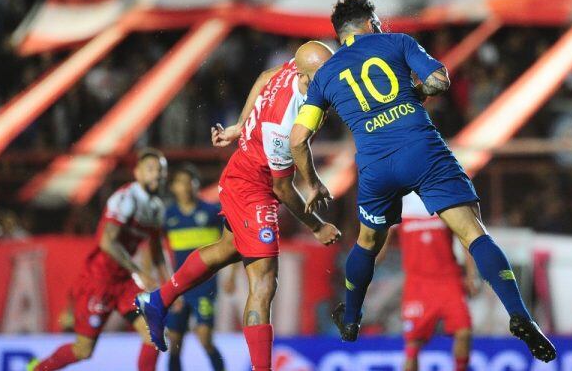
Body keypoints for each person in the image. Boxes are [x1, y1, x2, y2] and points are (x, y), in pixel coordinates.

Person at [289, 0, 556, 363]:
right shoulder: (397, 42)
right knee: (473, 231)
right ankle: (520, 316)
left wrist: (313, 180)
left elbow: (298, 138)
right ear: (369, 23)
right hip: (421, 150)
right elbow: (438, 79)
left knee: (367, 243)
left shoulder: (326, 75)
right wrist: (415, 92)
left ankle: (350, 318)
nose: (381, 25)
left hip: (376, 166)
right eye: (378, 21)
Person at [136, 42, 342, 371]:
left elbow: (264, 76)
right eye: (323, 77)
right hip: (252, 188)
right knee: (263, 281)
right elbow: (281, 187)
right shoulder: (283, 124)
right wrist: (317, 225)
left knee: (227, 249)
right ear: (304, 77)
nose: (331, 82)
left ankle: (157, 300)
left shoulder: (296, 69)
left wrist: (239, 126)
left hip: (242, 172)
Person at [27, 149, 170, 371]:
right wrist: (139, 271)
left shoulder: (157, 208)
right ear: (137, 173)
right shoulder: (125, 199)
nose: (157, 175)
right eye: (151, 169)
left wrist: (171, 284)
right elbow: (107, 242)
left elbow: (157, 250)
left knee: (155, 332)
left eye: (161, 170)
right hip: (99, 281)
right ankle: (37, 369)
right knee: (83, 350)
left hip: (124, 283)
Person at [398, 193, 477, 371]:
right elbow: (378, 242)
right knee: (413, 345)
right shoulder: (399, 200)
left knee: (464, 332)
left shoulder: (443, 196)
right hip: (418, 283)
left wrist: (472, 275)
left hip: (449, 279)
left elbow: (465, 238)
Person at [163, 165, 226, 371]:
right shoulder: (167, 215)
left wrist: (232, 274)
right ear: (173, 187)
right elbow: (152, 249)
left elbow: (233, 241)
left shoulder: (211, 212)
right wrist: (160, 279)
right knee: (174, 341)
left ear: (197, 185)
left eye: (191, 181)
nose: (187, 186)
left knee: (205, 337)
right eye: (181, 181)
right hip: (178, 288)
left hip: (205, 285)